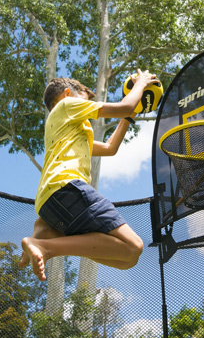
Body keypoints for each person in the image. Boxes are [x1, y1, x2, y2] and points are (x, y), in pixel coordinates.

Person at [19, 70, 159, 281]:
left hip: (49, 202)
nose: (86, 107)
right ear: (67, 94)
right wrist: (140, 84)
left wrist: (131, 115)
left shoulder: (68, 131)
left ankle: (46, 235)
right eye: (84, 101)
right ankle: (43, 245)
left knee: (127, 259)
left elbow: (111, 148)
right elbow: (124, 106)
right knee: (134, 246)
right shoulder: (66, 106)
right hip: (68, 188)